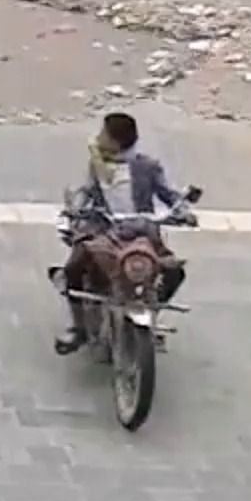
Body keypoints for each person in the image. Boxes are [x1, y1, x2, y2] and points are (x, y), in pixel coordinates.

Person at [54, 111, 188, 354]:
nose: (99, 137)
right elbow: (86, 191)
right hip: (103, 229)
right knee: (74, 267)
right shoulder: (96, 165)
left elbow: (168, 193)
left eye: (104, 134)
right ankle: (79, 327)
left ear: (116, 141)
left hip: (142, 231)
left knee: (173, 270)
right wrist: (75, 209)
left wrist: (183, 210)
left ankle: (151, 306)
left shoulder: (147, 166)